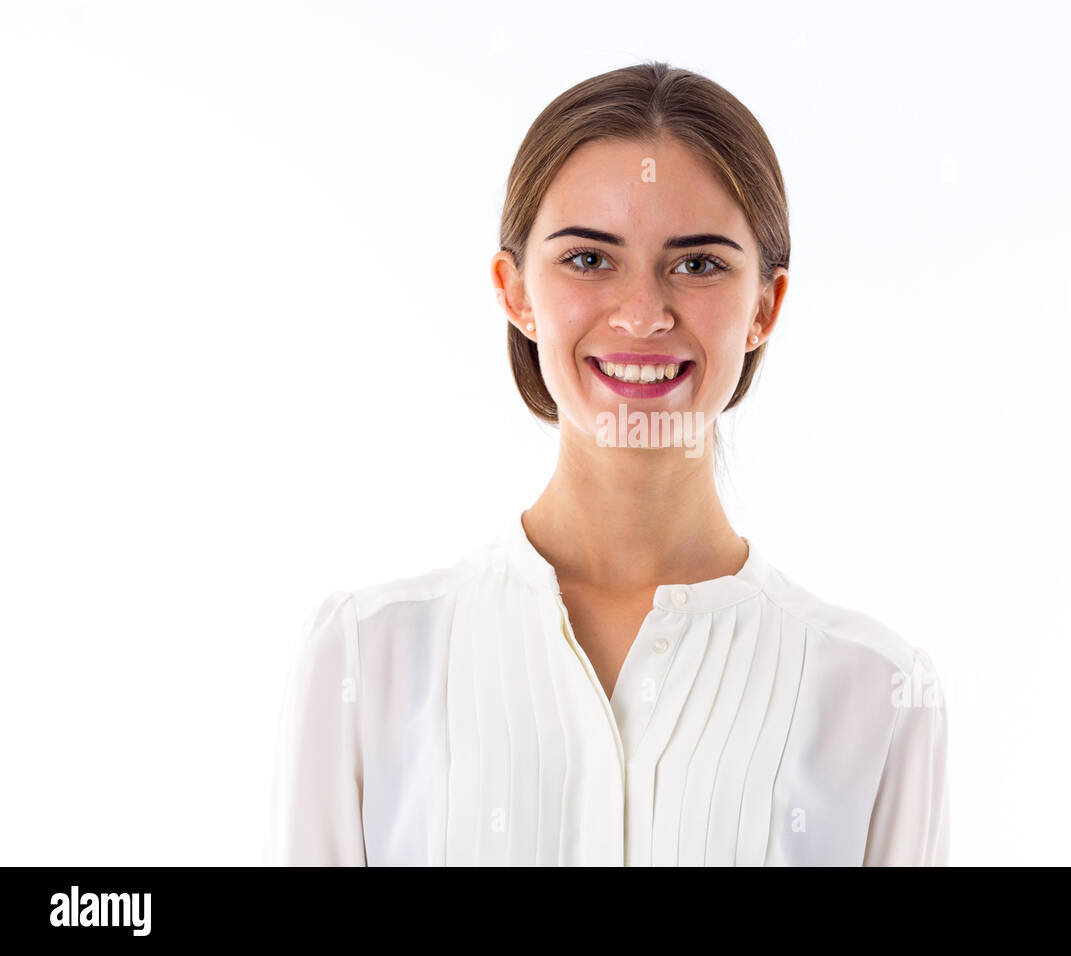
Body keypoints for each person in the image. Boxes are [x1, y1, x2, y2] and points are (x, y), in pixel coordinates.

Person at [267, 60, 950, 866]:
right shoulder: (364, 659)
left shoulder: (877, 694)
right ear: (515, 291)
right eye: (589, 259)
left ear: (765, 305)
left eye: (697, 264)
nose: (643, 314)